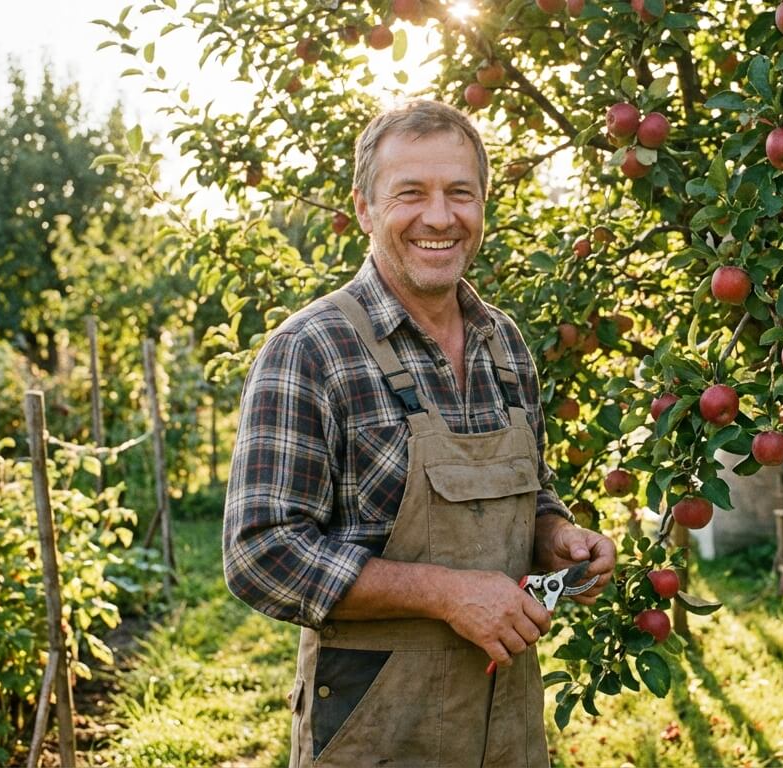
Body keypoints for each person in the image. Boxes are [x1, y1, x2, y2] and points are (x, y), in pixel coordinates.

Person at [222, 99, 616, 768]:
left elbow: (534, 494)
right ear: (366, 208)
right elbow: (261, 553)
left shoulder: (505, 343)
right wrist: (448, 594)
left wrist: (557, 538)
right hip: (379, 732)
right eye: (412, 194)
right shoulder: (311, 349)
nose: (440, 217)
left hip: (509, 727)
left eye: (460, 193)